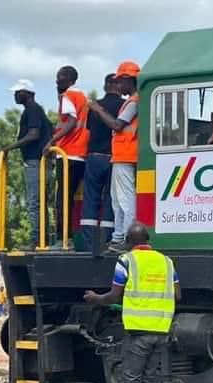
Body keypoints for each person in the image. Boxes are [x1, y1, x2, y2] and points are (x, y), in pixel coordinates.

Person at [84, 221, 185, 383]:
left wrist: (94, 298)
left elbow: (113, 296)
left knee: (128, 381)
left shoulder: (126, 260)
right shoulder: (166, 262)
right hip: (161, 329)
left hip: (139, 330)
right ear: (148, 240)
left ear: (128, 242)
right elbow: (177, 295)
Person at [89, 61, 140, 254]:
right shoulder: (133, 100)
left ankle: (128, 238)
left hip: (126, 155)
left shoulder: (134, 101)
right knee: (117, 200)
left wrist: (99, 109)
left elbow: (117, 125)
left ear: (128, 79)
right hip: (121, 156)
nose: (119, 86)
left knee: (126, 200)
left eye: (120, 81)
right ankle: (119, 237)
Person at [0, 80, 54, 249]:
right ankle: (42, 238)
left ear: (28, 93)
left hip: (36, 161)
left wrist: (10, 147)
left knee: (34, 202)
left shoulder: (33, 109)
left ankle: (36, 240)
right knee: (38, 201)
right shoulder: (35, 110)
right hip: (37, 161)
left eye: (18, 92)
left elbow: (34, 134)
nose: (15, 95)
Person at [44, 66, 90, 250]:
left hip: (67, 152)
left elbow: (70, 122)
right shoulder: (83, 98)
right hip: (81, 153)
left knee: (62, 199)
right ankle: (68, 237)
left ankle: (63, 239)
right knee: (72, 198)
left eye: (59, 79)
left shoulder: (68, 97)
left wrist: (51, 141)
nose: (57, 82)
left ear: (67, 79)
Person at [80, 74, 124, 252]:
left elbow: (89, 129)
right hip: (115, 158)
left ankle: (89, 241)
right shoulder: (124, 106)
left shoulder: (95, 106)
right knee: (111, 199)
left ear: (106, 85)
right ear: (117, 85)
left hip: (95, 157)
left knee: (90, 198)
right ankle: (106, 239)